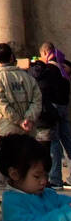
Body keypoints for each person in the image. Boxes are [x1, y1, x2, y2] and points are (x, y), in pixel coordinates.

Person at [0, 43, 43, 137]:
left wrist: (20, 121)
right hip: (28, 129)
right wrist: (28, 119)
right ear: (11, 57)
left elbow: (2, 106)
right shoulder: (28, 77)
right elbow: (37, 101)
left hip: (8, 130)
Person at [38, 43, 71, 187]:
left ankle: (55, 178)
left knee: (55, 143)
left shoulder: (49, 70)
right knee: (68, 141)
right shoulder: (63, 68)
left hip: (54, 109)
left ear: (45, 52)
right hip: (64, 107)